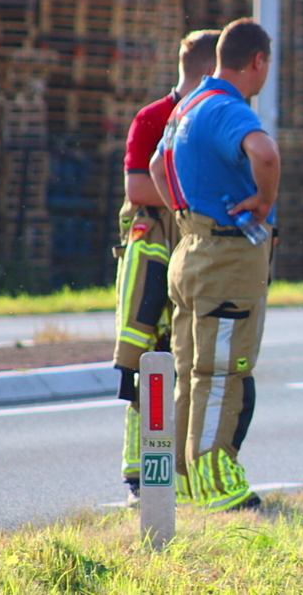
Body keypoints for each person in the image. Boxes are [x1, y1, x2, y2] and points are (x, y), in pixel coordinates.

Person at [149, 18, 280, 512]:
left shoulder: (187, 106)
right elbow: (264, 153)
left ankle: (186, 480)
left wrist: (185, 215)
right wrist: (264, 201)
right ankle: (216, 483)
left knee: (191, 371)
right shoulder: (228, 107)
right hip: (225, 256)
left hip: (190, 248)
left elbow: (159, 167)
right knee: (221, 372)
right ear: (258, 61)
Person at [112, 29, 220, 506]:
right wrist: (200, 198)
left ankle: (184, 471)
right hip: (159, 257)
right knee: (149, 365)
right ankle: (145, 481)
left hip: (199, 253)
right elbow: (139, 188)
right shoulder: (153, 118)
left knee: (196, 363)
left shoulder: (215, 119)